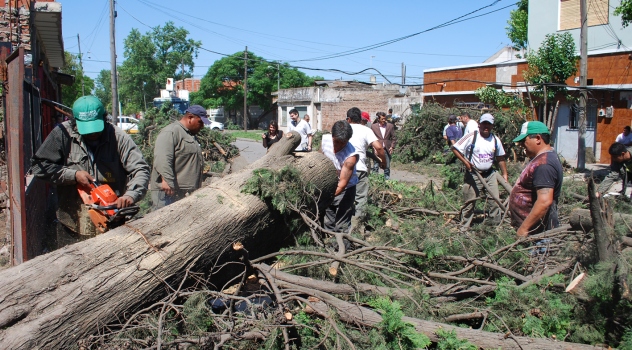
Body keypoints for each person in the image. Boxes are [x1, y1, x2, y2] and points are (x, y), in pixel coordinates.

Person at [30, 95, 150, 246]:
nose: (92, 134)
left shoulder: (118, 137)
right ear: (74, 122)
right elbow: (38, 166)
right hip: (72, 222)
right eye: (87, 129)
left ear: (104, 118)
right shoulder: (62, 134)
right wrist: (73, 175)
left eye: (96, 128)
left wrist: (131, 194)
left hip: (112, 220)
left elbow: (141, 169)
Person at [452, 113, 507, 226]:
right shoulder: (472, 136)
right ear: (479, 124)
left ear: (492, 126)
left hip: (490, 174)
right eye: (484, 124)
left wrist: (504, 174)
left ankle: (493, 226)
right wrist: (466, 162)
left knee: (495, 200)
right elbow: (455, 148)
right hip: (474, 174)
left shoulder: (495, 140)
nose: (486, 126)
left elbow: (500, 158)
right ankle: (464, 226)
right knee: (470, 202)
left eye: (489, 124)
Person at [509, 121, 563, 236]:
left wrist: (524, 229)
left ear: (538, 138)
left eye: (524, 141)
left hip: (537, 234)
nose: (522, 145)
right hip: (533, 230)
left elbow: (544, 201)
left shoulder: (544, 165)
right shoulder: (543, 158)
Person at [151, 105, 206, 210]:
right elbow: (162, 158)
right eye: (200, 122)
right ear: (190, 118)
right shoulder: (171, 132)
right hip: (168, 192)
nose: (202, 126)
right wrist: (168, 181)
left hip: (182, 193)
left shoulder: (189, 134)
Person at [346, 108, 386, 227]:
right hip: (359, 169)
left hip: (342, 169)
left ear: (348, 119)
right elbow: (379, 148)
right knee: (361, 199)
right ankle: (357, 228)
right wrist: (383, 162)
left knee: (343, 197)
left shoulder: (343, 128)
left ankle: (341, 226)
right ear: (361, 118)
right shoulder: (366, 130)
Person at [321, 120, 359, 233]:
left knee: (342, 223)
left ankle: (343, 246)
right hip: (330, 184)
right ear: (332, 136)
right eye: (336, 141)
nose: (338, 146)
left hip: (346, 189)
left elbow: (342, 184)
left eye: (343, 143)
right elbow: (320, 159)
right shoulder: (325, 140)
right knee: (328, 220)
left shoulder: (350, 156)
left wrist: (327, 197)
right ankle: (330, 245)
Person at [371, 112, 396, 180]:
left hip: (386, 149)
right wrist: (374, 148)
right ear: (378, 119)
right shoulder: (374, 126)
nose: (384, 120)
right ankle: (374, 180)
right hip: (377, 149)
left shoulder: (390, 126)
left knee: (387, 166)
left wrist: (392, 147)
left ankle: (386, 181)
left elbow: (394, 138)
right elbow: (371, 138)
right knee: (376, 166)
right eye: (382, 119)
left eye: (385, 119)